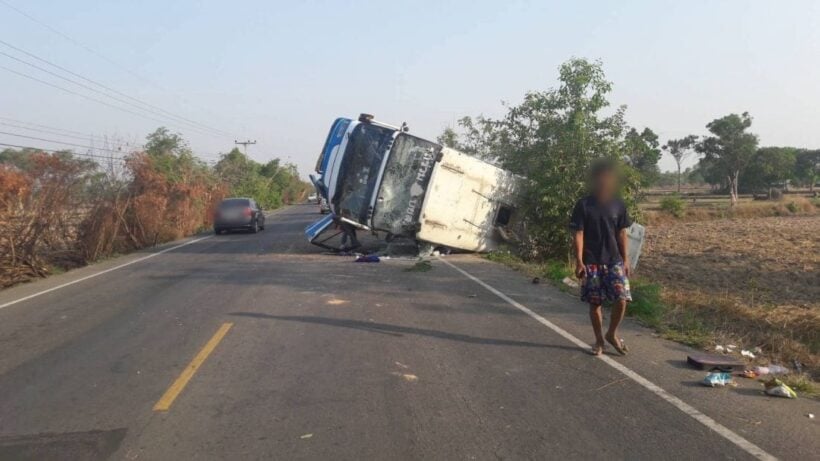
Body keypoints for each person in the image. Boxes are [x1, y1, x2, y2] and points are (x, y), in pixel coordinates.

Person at [569, 159, 632, 356]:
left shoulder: (618, 204)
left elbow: (622, 233)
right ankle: (599, 341)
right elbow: (578, 233)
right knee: (595, 303)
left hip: (614, 260)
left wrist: (626, 259)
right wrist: (579, 260)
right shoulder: (584, 205)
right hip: (591, 261)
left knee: (621, 298)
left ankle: (611, 334)